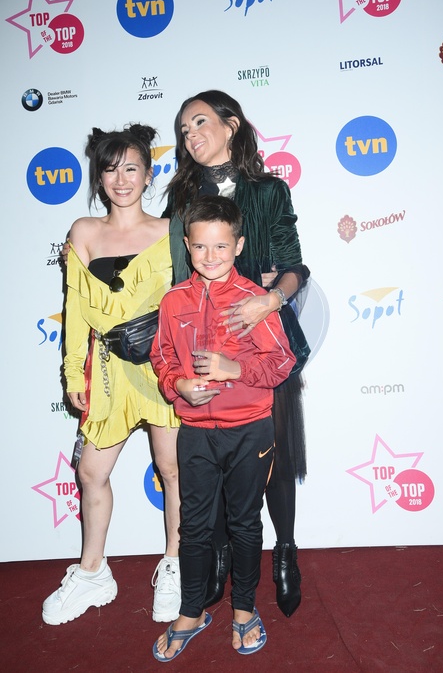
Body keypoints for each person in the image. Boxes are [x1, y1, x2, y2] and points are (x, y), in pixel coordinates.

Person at [162, 90, 310, 618]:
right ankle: (220, 555)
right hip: (204, 351)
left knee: (275, 456)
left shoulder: (269, 190)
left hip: (262, 341)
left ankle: (285, 551)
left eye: (199, 122)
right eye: (183, 129)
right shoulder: (181, 197)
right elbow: (174, 273)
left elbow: (295, 267)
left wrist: (269, 300)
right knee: (213, 459)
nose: (190, 135)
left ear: (231, 125)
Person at [42, 124, 181, 626]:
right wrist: (71, 374)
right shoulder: (84, 232)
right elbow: (76, 308)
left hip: (162, 366)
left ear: (148, 174)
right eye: (110, 169)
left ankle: (177, 564)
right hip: (106, 371)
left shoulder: (171, 231)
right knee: (91, 472)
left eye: (131, 168)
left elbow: (187, 305)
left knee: (173, 470)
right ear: (99, 178)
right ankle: (93, 572)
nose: (121, 179)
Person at [150, 195, 295, 661]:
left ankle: (244, 609)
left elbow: (282, 363)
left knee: (245, 524)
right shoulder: (173, 301)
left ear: (239, 245)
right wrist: (178, 386)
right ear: (186, 245)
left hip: (250, 430)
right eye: (200, 247)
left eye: (220, 246)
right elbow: (162, 357)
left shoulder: (253, 302)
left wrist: (234, 369)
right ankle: (191, 612)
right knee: (193, 528)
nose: (210, 256)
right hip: (195, 432)